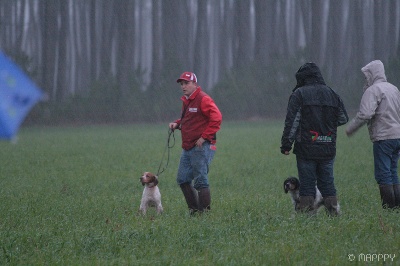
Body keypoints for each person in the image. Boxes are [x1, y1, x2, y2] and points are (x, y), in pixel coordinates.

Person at [280, 62, 349, 215]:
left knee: (307, 185)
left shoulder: (299, 94)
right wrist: (326, 126)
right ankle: (334, 215)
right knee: (328, 184)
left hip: (306, 147)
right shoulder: (332, 93)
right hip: (327, 147)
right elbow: (343, 118)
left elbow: (292, 122)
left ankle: (307, 219)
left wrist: (286, 145)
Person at [346, 60, 400, 209]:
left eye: (366, 75)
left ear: (372, 74)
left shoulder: (373, 90)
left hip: (383, 138)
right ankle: (397, 207)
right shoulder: (393, 89)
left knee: (383, 174)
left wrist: (351, 129)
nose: (365, 79)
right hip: (397, 137)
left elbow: (365, 114)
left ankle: (389, 208)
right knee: (393, 172)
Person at [169, 72, 222, 215]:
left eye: (186, 83)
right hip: (188, 146)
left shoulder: (203, 99)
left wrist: (204, 137)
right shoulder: (187, 100)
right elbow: (189, 120)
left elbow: (217, 118)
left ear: (195, 84)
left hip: (201, 146)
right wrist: (177, 123)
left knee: (200, 180)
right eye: (182, 84)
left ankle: (204, 213)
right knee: (182, 179)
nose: (183, 86)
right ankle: (194, 211)